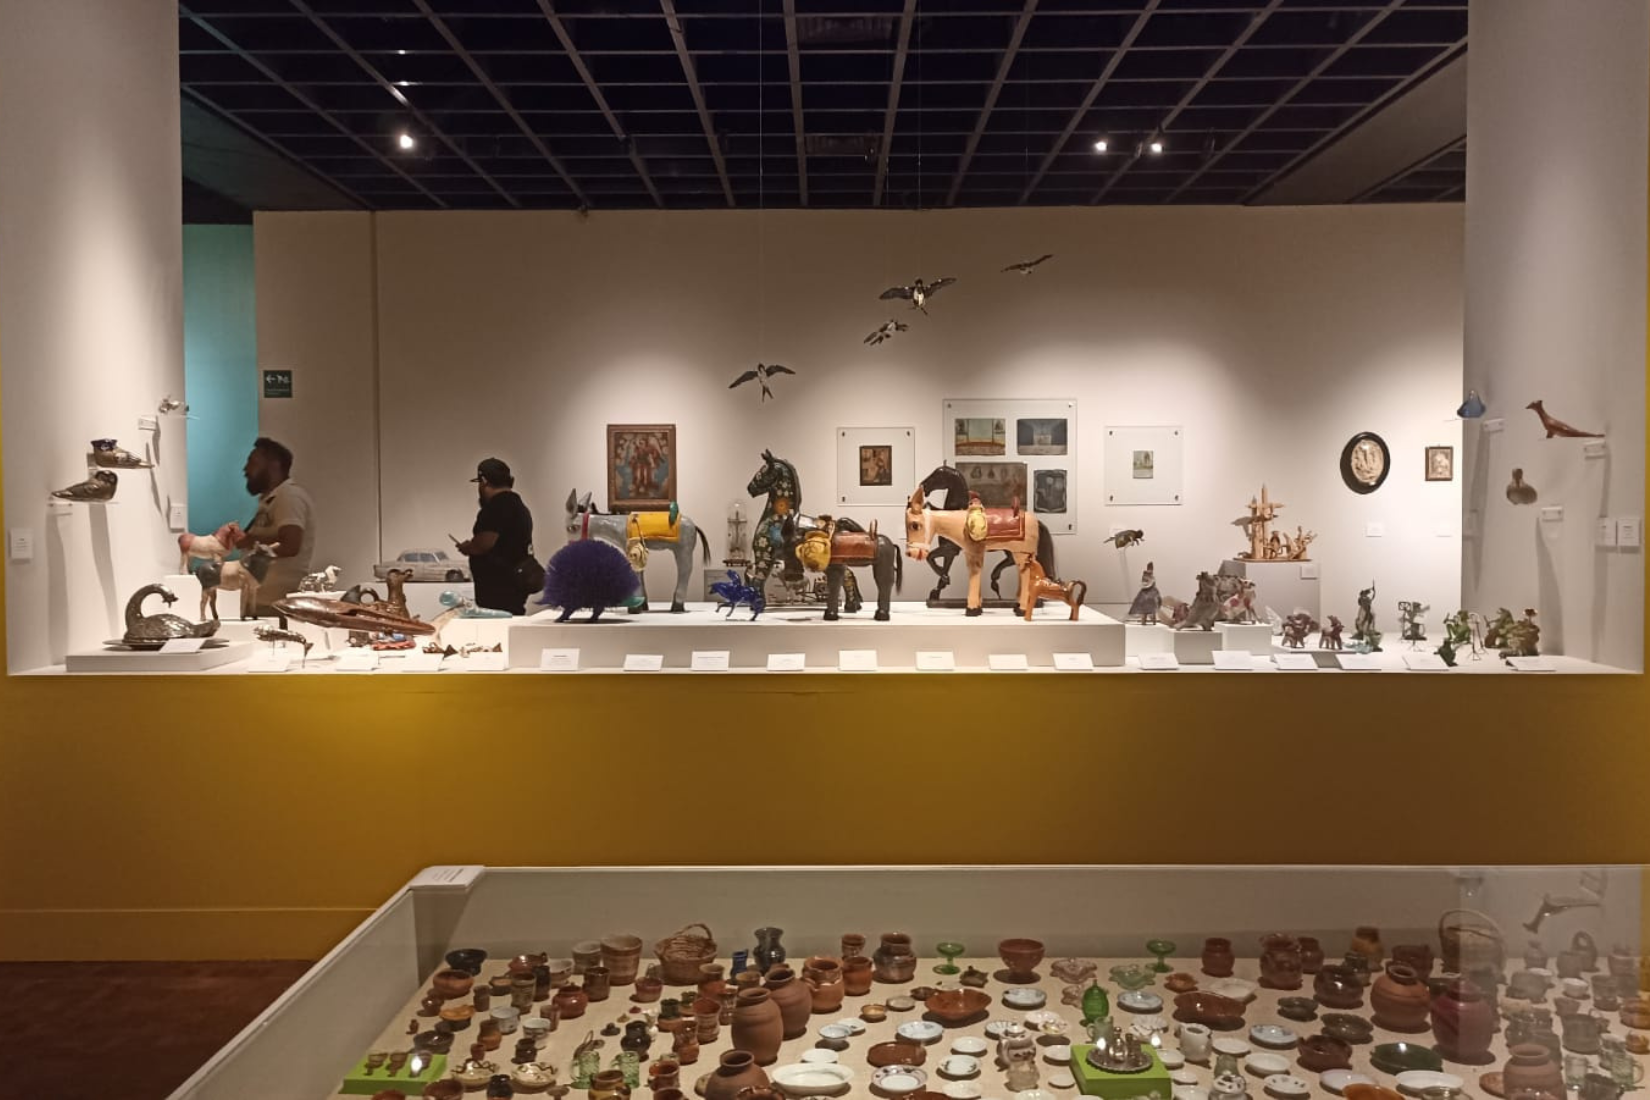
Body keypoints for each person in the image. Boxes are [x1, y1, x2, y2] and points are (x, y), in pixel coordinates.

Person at [236, 437, 316, 613]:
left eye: (253, 463)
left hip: (276, 605)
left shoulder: (289, 496)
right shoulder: (271, 500)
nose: (245, 469)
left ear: (274, 465)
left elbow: (290, 545)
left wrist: (250, 541)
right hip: (262, 603)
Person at [456, 457, 534, 615]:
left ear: (484, 481)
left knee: (497, 624)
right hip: (515, 585)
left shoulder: (496, 506)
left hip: (498, 589)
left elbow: (484, 544)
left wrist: (468, 547)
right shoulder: (519, 506)